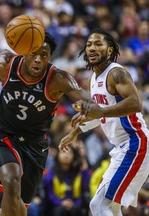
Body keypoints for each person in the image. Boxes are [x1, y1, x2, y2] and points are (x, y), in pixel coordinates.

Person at [0, 31, 95, 216]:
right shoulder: (7, 63)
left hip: (35, 145)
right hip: (3, 136)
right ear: (24, 53)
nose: (38, 59)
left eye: (43, 56)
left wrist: (88, 108)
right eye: (34, 54)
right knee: (11, 180)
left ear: (50, 58)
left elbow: (88, 100)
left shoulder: (58, 79)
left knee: (17, 209)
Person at [59, 28, 149, 216]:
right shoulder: (93, 79)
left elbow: (136, 103)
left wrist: (100, 110)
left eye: (98, 44)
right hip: (123, 147)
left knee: (99, 205)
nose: (92, 48)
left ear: (109, 50)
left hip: (135, 143)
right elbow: (101, 113)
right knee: (111, 207)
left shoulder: (116, 73)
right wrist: (76, 132)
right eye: (89, 44)